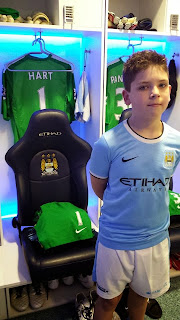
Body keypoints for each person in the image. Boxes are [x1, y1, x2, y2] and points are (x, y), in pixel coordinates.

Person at [89, 50, 180, 320]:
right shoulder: (107, 144)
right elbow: (100, 188)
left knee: (140, 297)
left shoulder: (175, 142)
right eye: (144, 86)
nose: (155, 92)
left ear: (170, 90)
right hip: (115, 240)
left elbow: (163, 182)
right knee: (108, 301)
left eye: (162, 85)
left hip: (154, 239)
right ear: (127, 96)